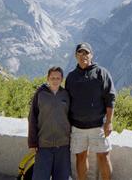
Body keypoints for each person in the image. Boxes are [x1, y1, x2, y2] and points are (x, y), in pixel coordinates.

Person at [65, 42, 116, 180]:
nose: (83, 56)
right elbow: (67, 102)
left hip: (98, 126)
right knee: (80, 158)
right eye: (80, 53)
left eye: (86, 53)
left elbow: (110, 98)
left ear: (91, 55)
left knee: (103, 157)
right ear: (76, 56)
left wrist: (109, 122)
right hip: (77, 127)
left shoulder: (101, 73)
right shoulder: (71, 77)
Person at [28, 67, 71, 180]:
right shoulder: (40, 94)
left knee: (62, 177)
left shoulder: (66, 95)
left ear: (62, 79)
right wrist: (32, 143)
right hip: (44, 145)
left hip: (63, 145)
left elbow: (71, 117)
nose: (55, 80)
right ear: (48, 78)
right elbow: (32, 118)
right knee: (40, 177)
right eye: (52, 78)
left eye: (58, 78)